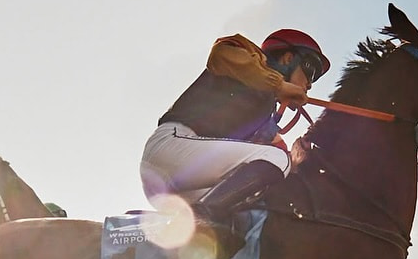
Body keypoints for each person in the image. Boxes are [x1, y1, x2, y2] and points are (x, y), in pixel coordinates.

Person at [140, 29, 329, 221]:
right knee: (278, 158)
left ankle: (190, 227)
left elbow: (265, 164)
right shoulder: (250, 56)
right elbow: (219, 54)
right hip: (170, 148)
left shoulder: (266, 112)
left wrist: (296, 161)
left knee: (250, 209)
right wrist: (278, 85)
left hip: (180, 186)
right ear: (288, 59)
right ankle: (203, 220)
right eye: (311, 72)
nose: (310, 84)